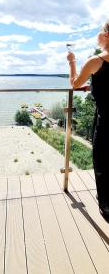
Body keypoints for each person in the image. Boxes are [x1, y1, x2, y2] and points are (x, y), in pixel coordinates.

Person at [67, 20, 109, 222]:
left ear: (107, 36)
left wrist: (71, 62)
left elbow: (74, 84)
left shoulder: (96, 61)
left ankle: (106, 207)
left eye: (100, 31)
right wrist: (93, 87)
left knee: (102, 163)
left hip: (106, 123)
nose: (98, 35)